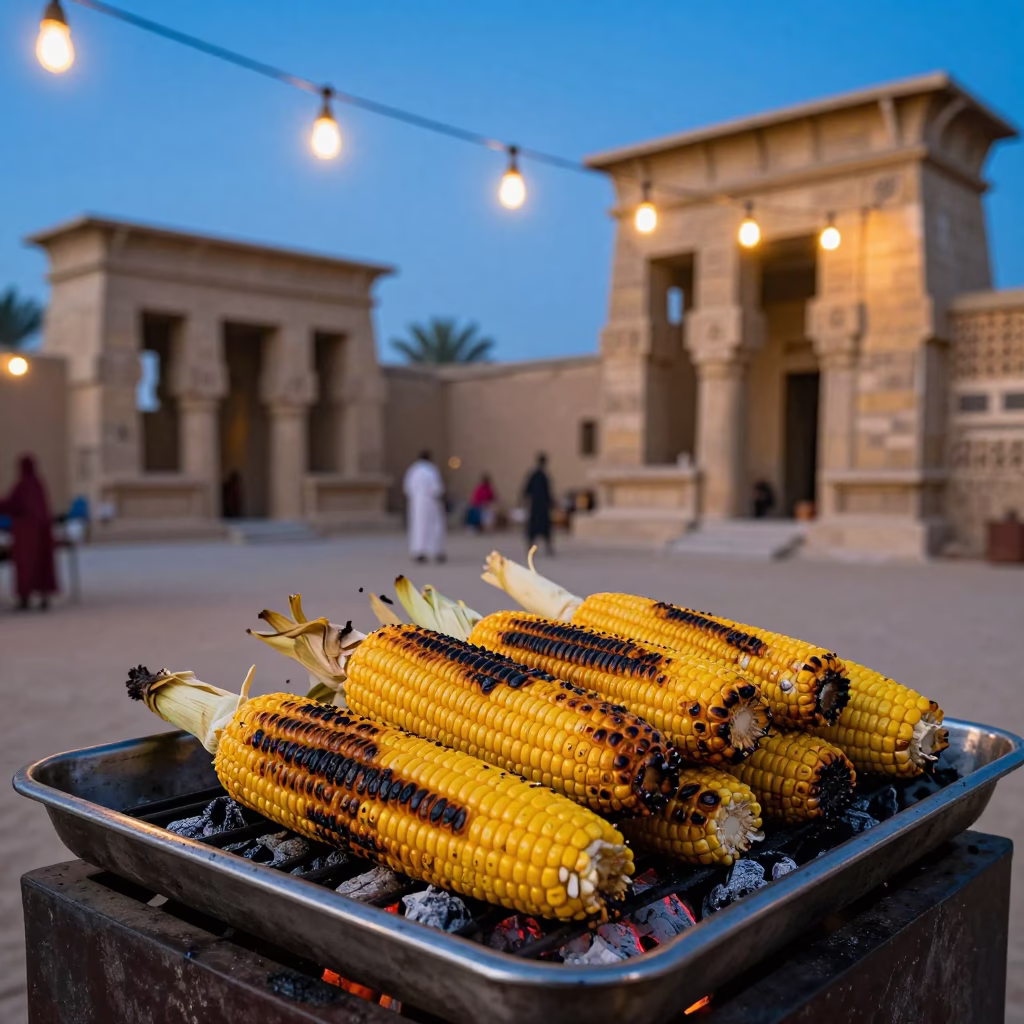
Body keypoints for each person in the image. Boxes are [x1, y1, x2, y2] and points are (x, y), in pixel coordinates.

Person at [0, 455, 58, 610]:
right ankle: (43, 597)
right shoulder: (38, 484)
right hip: (42, 532)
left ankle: (25, 598)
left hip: (27, 534)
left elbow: (13, 505)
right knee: (41, 564)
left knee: (26, 565)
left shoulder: (23, 485)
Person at [403, 451, 446, 563]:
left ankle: (418, 551)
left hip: (416, 503)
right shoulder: (431, 470)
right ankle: (435, 551)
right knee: (434, 526)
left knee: (417, 526)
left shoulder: (413, 470)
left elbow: (407, 487)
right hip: (430, 502)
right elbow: (436, 487)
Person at [522, 453, 555, 556]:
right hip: (540, 506)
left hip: (538, 506)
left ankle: (541, 547)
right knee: (541, 528)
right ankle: (540, 548)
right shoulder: (540, 476)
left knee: (540, 528)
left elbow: (527, 490)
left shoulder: (536, 475)